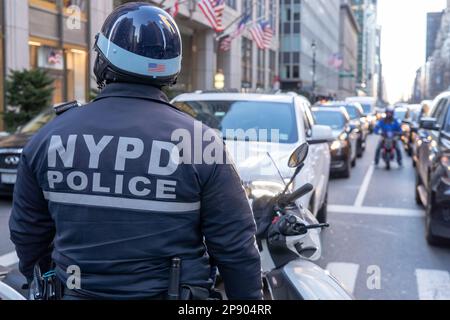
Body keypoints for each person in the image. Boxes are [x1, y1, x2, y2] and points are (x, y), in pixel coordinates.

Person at [9, 3, 262, 300]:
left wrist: (48, 281)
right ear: (172, 69)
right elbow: (235, 248)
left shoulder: (48, 137)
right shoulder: (201, 142)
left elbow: (28, 234)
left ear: (102, 60)